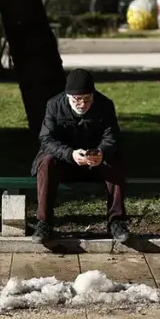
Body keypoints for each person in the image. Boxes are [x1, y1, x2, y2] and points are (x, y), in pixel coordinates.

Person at [31, 69, 129, 244]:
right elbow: (46, 139)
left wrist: (101, 152)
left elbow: (112, 136)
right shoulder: (54, 105)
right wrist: (70, 154)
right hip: (64, 162)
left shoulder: (104, 104)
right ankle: (44, 222)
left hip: (94, 162)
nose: (82, 104)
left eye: (87, 99)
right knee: (46, 161)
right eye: (77, 99)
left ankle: (117, 222)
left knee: (115, 159)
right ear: (68, 96)